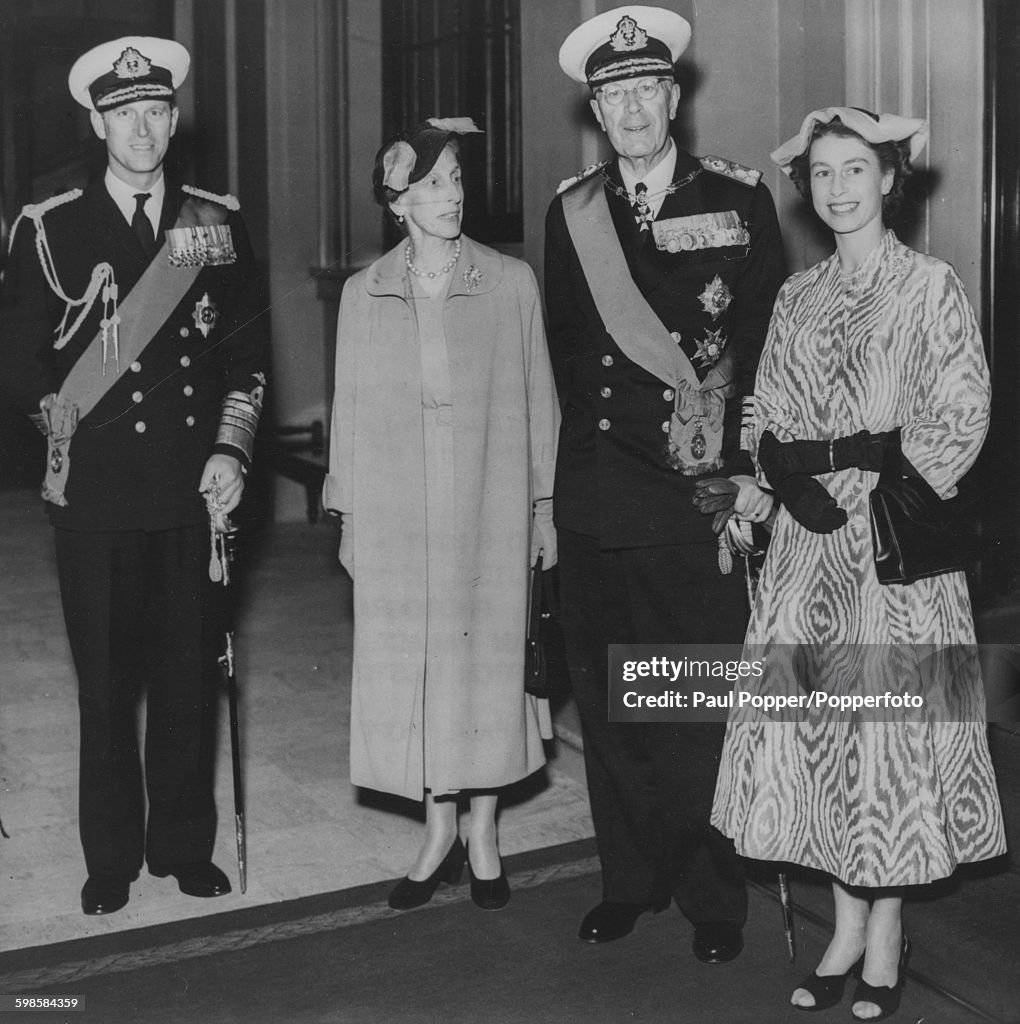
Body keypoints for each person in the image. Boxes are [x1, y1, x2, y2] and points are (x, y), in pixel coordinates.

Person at [711, 107, 1007, 1021]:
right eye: (824, 174)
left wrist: (873, 492)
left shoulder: (931, 286)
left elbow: (961, 411)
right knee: (818, 741)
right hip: (808, 553)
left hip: (894, 552)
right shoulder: (798, 295)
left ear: (889, 180)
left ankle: (885, 934)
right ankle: (843, 926)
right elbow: (768, 415)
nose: (839, 189)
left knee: (891, 750)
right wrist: (778, 481)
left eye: (856, 171)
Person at [0, 37, 269, 915]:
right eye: (125, 114)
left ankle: (182, 846)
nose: (143, 129)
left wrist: (230, 448)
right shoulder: (51, 226)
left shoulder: (215, 223)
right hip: (100, 497)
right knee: (108, 686)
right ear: (97, 122)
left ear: (172, 117)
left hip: (193, 491)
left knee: (189, 677)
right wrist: (58, 423)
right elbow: (21, 361)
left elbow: (246, 355)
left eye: (156, 110)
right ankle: (109, 857)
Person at [544, 6, 786, 961]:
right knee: (609, 702)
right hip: (600, 490)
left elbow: (764, 344)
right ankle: (629, 879)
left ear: (673, 98)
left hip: (695, 493)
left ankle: (710, 895)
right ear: (597, 112)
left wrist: (746, 474)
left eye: (648, 88)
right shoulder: (571, 212)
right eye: (615, 93)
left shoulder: (737, 197)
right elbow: (566, 354)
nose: (634, 107)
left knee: (689, 700)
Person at [323, 117, 560, 912]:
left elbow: (539, 402)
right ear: (397, 201)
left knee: (485, 665)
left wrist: (543, 507)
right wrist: (349, 514)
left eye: (456, 179)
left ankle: (484, 834)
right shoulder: (365, 292)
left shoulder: (510, 282)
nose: (449, 195)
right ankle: (437, 832)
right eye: (429, 184)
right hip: (398, 505)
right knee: (418, 668)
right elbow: (348, 410)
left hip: (489, 495)